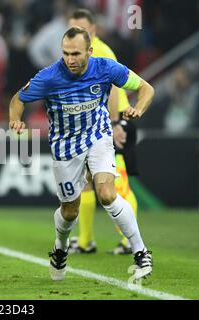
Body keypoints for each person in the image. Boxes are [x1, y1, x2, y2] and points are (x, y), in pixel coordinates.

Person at [9, 26, 154, 281]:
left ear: (89, 50)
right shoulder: (49, 76)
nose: (70, 59)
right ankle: (60, 247)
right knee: (69, 211)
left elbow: (146, 89)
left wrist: (138, 108)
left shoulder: (106, 68)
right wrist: (15, 121)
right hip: (64, 147)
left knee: (108, 194)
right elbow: (17, 100)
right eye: (65, 53)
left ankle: (141, 251)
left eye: (75, 53)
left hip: (98, 136)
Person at [67, 8, 140, 255]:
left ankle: (128, 240)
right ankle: (86, 241)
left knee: (117, 182)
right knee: (86, 183)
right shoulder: (76, 52)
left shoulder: (99, 51)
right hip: (96, 125)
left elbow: (115, 89)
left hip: (114, 123)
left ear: (93, 30)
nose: (76, 33)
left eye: (81, 29)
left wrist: (117, 123)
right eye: (72, 28)